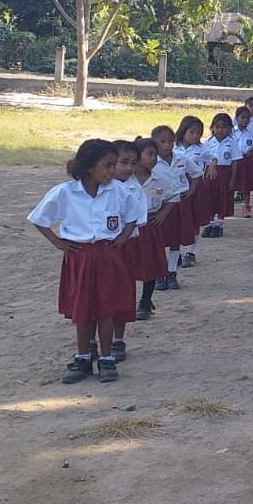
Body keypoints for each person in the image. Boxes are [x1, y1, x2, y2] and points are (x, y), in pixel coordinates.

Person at [28, 139, 138, 384]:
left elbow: (134, 215)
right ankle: (84, 357)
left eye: (113, 165)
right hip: (79, 257)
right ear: (88, 166)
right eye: (107, 166)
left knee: (106, 311)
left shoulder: (119, 190)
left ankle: (107, 360)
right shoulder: (65, 192)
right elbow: (39, 218)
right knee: (84, 312)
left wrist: (122, 237)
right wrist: (57, 241)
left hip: (108, 255)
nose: (112, 171)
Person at [110, 139, 150, 361]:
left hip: (126, 246)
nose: (128, 168)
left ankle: (118, 339)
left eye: (133, 163)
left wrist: (122, 238)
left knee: (123, 293)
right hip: (102, 247)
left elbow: (136, 219)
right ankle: (93, 341)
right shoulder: (98, 186)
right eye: (122, 162)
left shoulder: (135, 188)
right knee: (100, 292)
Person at [152, 124, 194, 291]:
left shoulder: (181, 158)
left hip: (178, 204)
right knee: (159, 241)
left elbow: (197, 173)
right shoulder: (151, 162)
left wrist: (191, 190)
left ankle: (171, 273)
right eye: (162, 141)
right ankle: (159, 275)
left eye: (171, 141)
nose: (167, 145)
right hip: (158, 206)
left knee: (175, 240)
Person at [132, 137, 169, 321]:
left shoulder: (159, 178)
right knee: (129, 266)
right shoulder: (125, 180)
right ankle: (127, 301)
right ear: (137, 157)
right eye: (149, 154)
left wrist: (163, 213)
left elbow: (174, 195)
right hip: (130, 230)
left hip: (150, 226)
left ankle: (145, 301)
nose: (154, 158)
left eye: (156, 154)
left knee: (150, 264)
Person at [173, 116, 207, 267]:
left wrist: (212, 164)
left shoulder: (201, 148)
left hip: (194, 186)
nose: (195, 136)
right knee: (177, 221)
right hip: (175, 187)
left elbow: (214, 157)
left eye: (198, 133)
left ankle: (190, 253)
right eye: (192, 132)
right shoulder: (173, 147)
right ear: (183, 131)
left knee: (193, 220)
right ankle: (176, 253)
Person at [201, 113, 241, 238]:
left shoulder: (232, 143)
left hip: (225, 174)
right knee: (209, 198)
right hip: (210, 174)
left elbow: (235, 161)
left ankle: (219, 224)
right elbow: (202, 161)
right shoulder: (207, 142)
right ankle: (209, 223)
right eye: (217, 127)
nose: (220, 130)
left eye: (223, 127)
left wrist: (233, 179)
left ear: (229, 128)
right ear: (212, 128)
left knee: (222, 198)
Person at [232, 106, 253, 217]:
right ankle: (229, 207)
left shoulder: (252, 131)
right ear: (237, 118)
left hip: (246, 160)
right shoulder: (232, 131)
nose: (245, 120)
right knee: (232, 183)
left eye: (247, 118)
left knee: (246, 185)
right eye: (242, 117)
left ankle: (247, 207)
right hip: (234, 160)